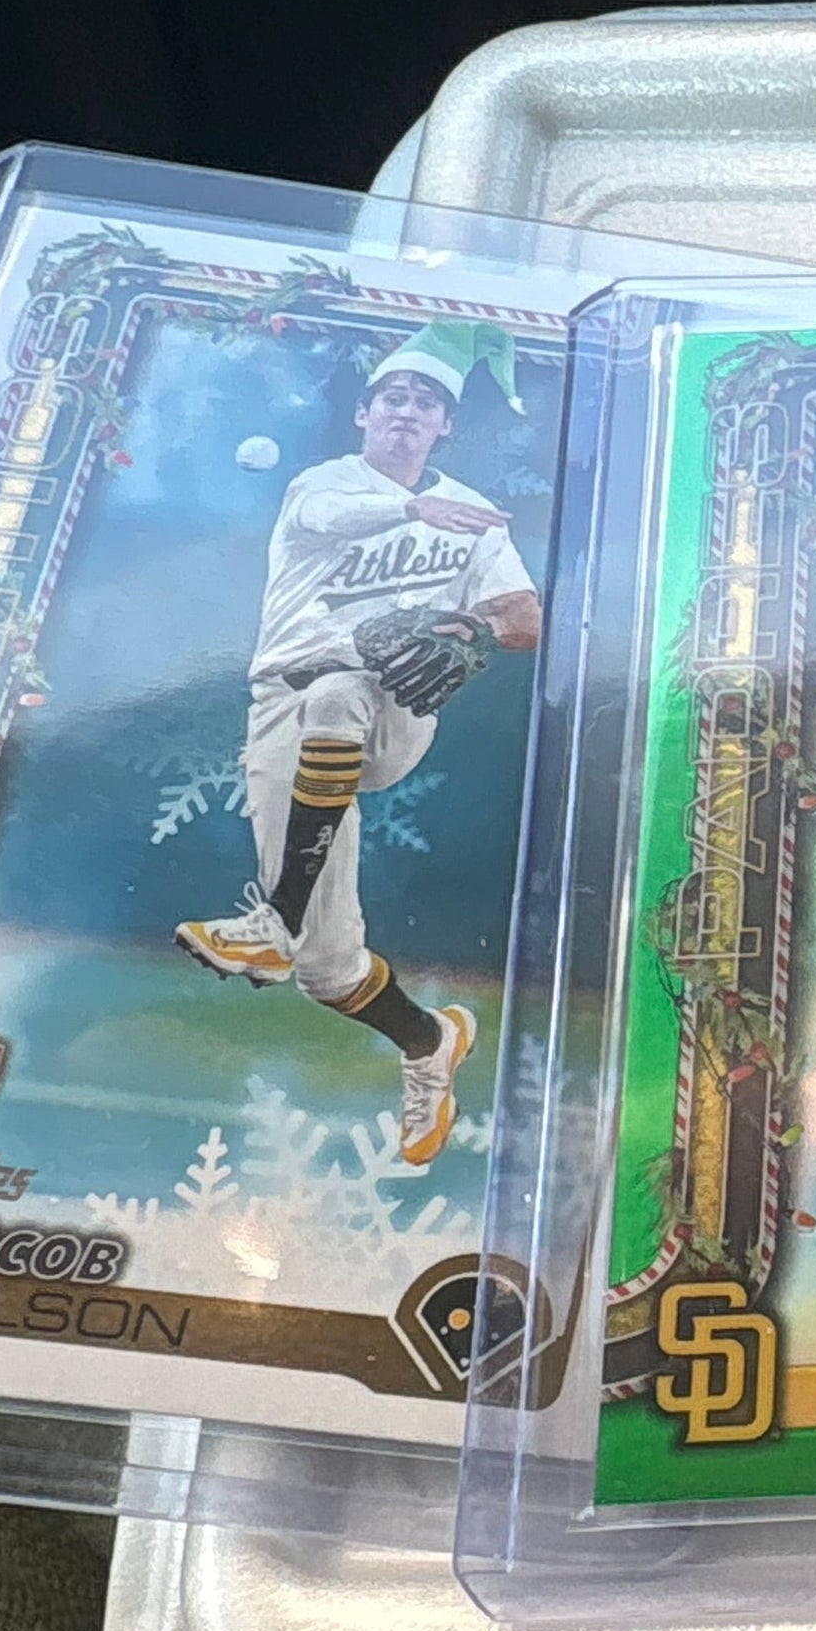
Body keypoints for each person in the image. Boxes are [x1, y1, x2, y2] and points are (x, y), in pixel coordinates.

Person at [175, 322, 540, 1165]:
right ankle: (429, 1043)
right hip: (283, 707)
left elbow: (525, 619)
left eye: (426, 402)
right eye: (395, 398)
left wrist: (472, 628)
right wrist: (411, 508)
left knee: (342, 688)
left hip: (389, 708)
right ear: (365, 415)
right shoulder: (322, 484)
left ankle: (272, 920)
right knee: (327, 972)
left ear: (445, 424)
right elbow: (330, 516)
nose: (408, 411)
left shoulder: (471, 514)